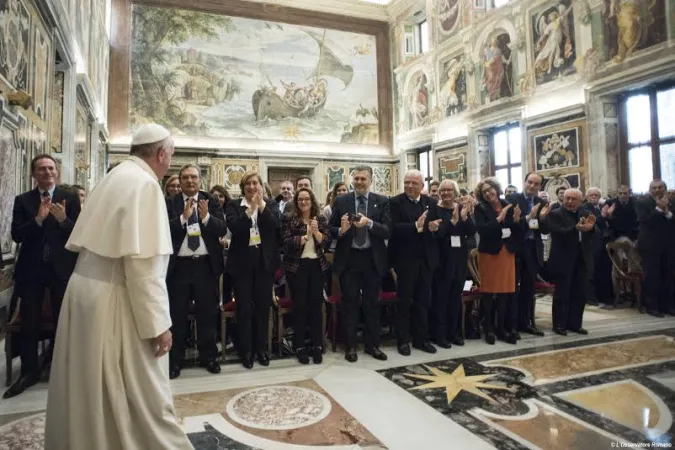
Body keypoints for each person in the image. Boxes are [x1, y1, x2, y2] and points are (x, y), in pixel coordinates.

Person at [44, 124, 193, 449]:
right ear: (161, 153)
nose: (171, 161)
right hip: (116, 300)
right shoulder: (145, 185)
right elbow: (143, 265)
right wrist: (159, 326)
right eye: (172, 154)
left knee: (90, 391)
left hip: (86, 293)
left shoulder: (115, 177)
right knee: (144, 395)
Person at [6, 155, 81, 399]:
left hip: (61, 270)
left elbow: (79, 235)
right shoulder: (23, 200)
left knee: (64, 321)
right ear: (34, 174)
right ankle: (29, 373)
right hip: (32, 271)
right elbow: (17, 235)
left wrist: (63, 220)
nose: (46, 172)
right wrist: (38, 219)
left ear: (57, 173)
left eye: (50, 168)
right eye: (41, 169)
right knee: (30, 323)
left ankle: (63, 370)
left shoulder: (69, 198)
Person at [166, 164, 227, 379]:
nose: (190, 181)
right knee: (177, 316)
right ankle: (175, 360)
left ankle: (208, 357)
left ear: (200, 180)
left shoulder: (211, 200)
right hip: (179, 267)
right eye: (185, 177)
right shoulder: (171, 202)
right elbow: (164, 230)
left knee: (207, 315)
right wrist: (184, 218)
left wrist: (206, 217)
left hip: (205, 266)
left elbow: (221, 229)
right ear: (180, 181)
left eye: (194, 177)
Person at [330, 165, 391, 362]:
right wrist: (341, 229)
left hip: (372, 260)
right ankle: (351, 347)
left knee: (372, 304)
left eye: (363, 179)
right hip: (350, 259)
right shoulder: (342, 200)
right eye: (356, 179)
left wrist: (369, 223)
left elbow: (388, 230)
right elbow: (330, 228)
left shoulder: (381, 201)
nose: (359, 182)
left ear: (370, 180)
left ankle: (373, 345)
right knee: (350, 304)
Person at [226, 172, 281, 369]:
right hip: (241, 266)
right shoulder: (234, 205)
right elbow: (235, 227)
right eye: (248, 184)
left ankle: (261, 349)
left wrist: (262, 206)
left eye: (255, 183)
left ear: (261, 186)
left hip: (264, 265)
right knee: (244, 309)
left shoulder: (271, 204)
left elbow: (275, 225)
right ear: (243, 187)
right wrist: (250, 211)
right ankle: (246, 351)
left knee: (262, 309)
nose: (252, 187)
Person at [389, 170, 438, 355]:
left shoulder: (430, 203)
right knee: (404, 301)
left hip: (426, 260)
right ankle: (403, 340)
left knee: (423, 301)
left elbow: (436, 227)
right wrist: (415, 227)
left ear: (422, 186)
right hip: (405, 261)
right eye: (407, 182)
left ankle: (421, 339)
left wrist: (434, 227)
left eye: (413, 183)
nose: (409, 186)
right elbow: (392, 228)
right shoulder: (395, 202)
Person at [281, 188, 330, 364]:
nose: (303, 202)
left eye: (306, 199)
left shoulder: (321, 218)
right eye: (300, 199)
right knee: (300, 306)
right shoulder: (289, 218)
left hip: (317, 265)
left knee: (316, 307)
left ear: (312, 201)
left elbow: (327, 242)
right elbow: (285, 243)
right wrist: (304, 237)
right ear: (296, 201)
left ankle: (317, 345)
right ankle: (300, 345)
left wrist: (316, 233)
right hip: (297, 267)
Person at [474, 177, 522, 345]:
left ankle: (501, 328)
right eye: (484, 192)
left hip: (507, 252)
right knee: (489, 293)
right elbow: (483, 230)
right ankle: (488, 329)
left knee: (504, 293)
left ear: (496, 188)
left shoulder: (507, 204)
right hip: (489, 253)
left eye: (490, 189)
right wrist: (498, 219)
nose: (488, 193)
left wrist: (516, 220)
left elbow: (517, 230)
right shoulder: (480, 208)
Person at [542, 188, 596, 335]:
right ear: (563, 199)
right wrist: (575, 229)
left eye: (574, 199)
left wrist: (591, 229)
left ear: (580, 201)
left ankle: (575, 324)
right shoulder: (555, 214)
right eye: (568, 199)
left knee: (580, 293)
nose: (570, 202)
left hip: (582, 258)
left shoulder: (585, 213)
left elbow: (594, 232)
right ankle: (559, 324)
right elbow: (557, 231)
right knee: (562, 294)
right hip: (563, 259)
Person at [429, 179, 475, 348]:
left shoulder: (461, 208)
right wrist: (453, 223)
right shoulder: (435, 209)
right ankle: (440, 335)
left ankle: (454, 333)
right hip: (442, 259)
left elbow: (471, 232)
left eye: (449, 190)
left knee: (455, 297)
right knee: (441, 299)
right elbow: (437, 234)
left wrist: (464, 219)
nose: (446, 193)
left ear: (455, 193)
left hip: (459, 258)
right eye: (443, 190)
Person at [506, 172, 550, 337]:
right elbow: (511, 225)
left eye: (536, 184)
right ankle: (512, 324)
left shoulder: (541, 202)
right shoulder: (512, 200)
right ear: (524, 182)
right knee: (513, 289)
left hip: (532, 249)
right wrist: (527, 217)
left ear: (540, 187)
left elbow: (545, 230)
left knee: (529, 289)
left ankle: (528, 322)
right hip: (516, 249)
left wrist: (544, 219)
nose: (532, 186)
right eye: (529, 182)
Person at [636, 180, 675, 317]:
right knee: (652, 276)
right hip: (650, 245)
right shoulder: (642, 202)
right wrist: (658, 210)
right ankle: (652, 306)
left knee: (668, 276)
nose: (657, 190)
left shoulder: (672, 201)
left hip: (669, 245)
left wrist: (667, 213)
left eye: (660, 187)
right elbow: (645, 221)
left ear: (665, 188)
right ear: (650, 190)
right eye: (654, 188)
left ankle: (667, 306)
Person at [584, 187, 612, 306]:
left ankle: (605, 296)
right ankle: (591, 297)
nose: (594, 197)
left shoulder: (601, 207)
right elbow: (592, 222)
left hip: (604, 244)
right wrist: (603, 215)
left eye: (596, 195)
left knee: (604, 271)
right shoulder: (585, 208)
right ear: (587, 197)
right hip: (592, 244)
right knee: (591, 271)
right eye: (591, 195)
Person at [210, 185, 234, 304]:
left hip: (229, 256)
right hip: (212, 257)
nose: (218, 199)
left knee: (227, 290)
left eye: (221, 196)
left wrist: (228, 242)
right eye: (215, 196)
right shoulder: (206, 214)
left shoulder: (230, 214)